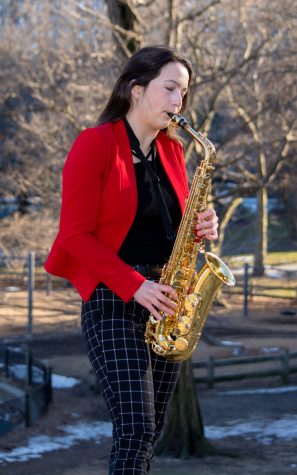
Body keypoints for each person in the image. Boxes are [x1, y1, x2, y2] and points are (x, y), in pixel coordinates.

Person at [45, 46, 219, 474]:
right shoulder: (95, 144)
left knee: (152, 428)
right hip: (114, 304)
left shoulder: (174, 153)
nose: (179, 101)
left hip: (167, 302)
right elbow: (73, 237)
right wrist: (135, 286)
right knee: (136, 426)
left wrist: (205, 227)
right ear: (135, 89)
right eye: (170, 88)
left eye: (184, 92)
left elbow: (175, 234)